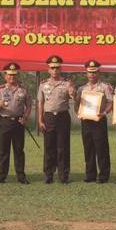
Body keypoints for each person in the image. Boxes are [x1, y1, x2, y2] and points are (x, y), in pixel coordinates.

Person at [37, 55, 76, 184]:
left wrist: (73, 92)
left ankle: (63, 175)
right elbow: (40, 103)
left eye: (57, 68)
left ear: (60, 69)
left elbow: (74, 97)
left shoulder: (67, 83)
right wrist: (40, 120)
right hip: (48, 117)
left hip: (62, 117)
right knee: (49, 146)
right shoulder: (43, 85)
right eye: (52, 68)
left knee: (63, 147)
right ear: (48, 69)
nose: (55, 70)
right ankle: (48, 174)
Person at [0, 62, 31, 184]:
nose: (12, 77)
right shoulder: (0, 89)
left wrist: (25, 117)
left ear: (17, 75)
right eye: (9, 74)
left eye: (14, 74)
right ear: (5, 76)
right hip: (5, 121)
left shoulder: (23, 90)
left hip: (18, 122)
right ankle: (2, 176)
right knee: (3, 150)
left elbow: (29, 105)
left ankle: (21, 176)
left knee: (19, 150)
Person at [77, 60, 113, 183]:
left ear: (99, 73)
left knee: (101, 148)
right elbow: (77, 103)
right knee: (88, 148)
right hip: (86, 121)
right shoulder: (82, 88)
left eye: (94, 72)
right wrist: (78, 113)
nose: (92, 75)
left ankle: (103, 175)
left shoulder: (105, 87)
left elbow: (110, 102)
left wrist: (105, 112)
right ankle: (90, 174)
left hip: (99, 120)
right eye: (90, 72)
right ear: (86, 73)